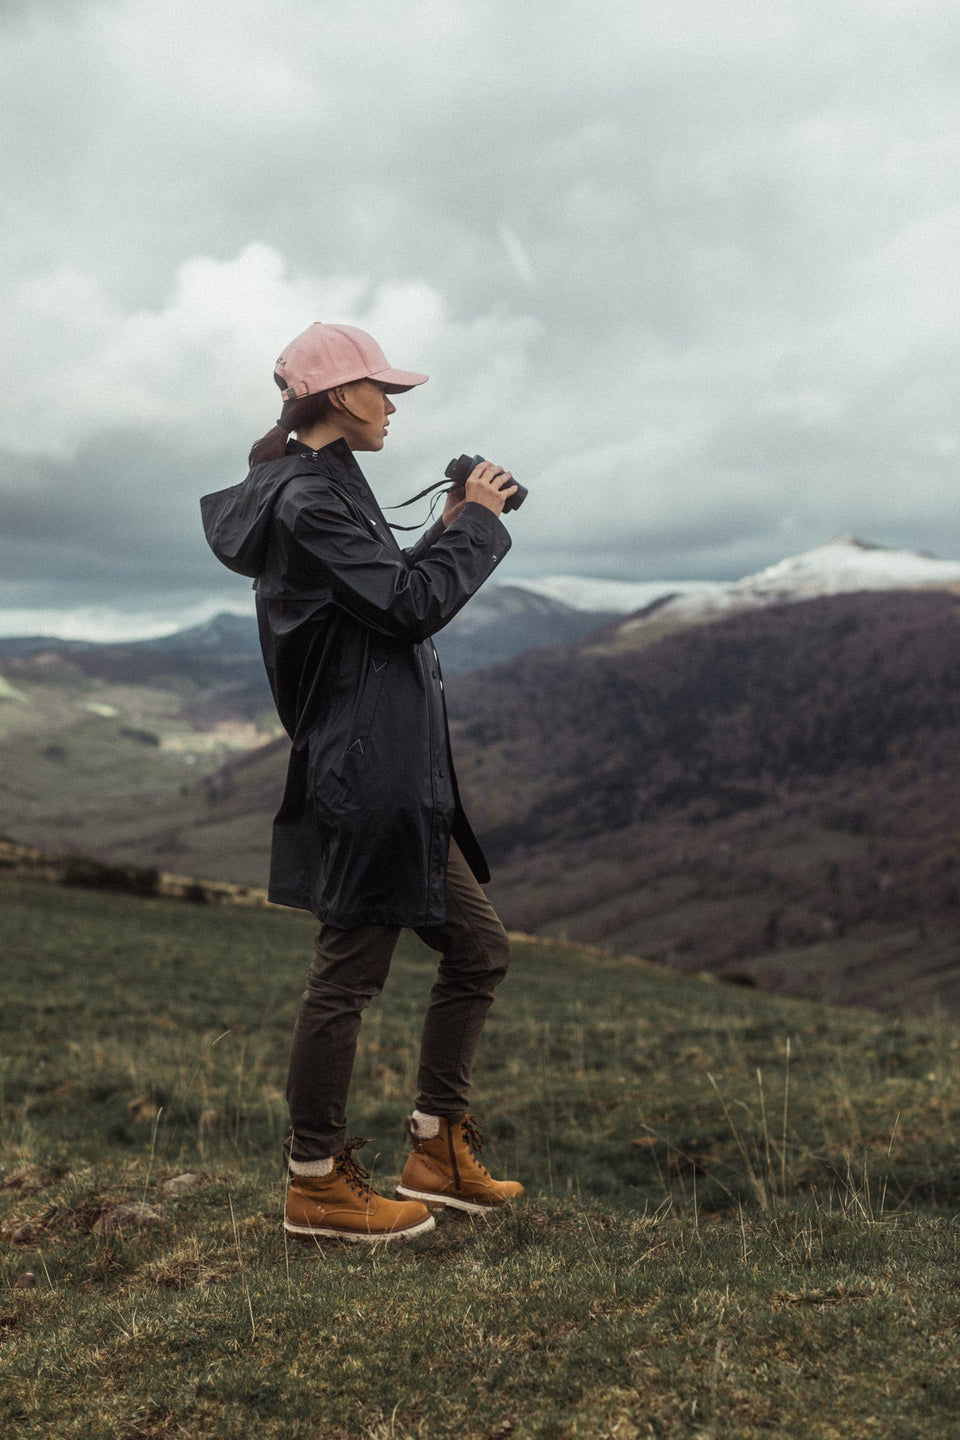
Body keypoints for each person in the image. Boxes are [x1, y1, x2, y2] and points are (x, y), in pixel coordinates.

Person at [201, 321, 524, 1243]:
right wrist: (482, 524)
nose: (394, 408)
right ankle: (316, 1182)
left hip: (393, 768)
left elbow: (387, 596)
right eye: (385, 391)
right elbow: (412, 606)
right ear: (340, 396)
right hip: (368, 770)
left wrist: (458, 518)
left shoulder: (328, 493)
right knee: (346, 979)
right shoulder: (309, 500)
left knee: (479, 948)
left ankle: (436, 1148)